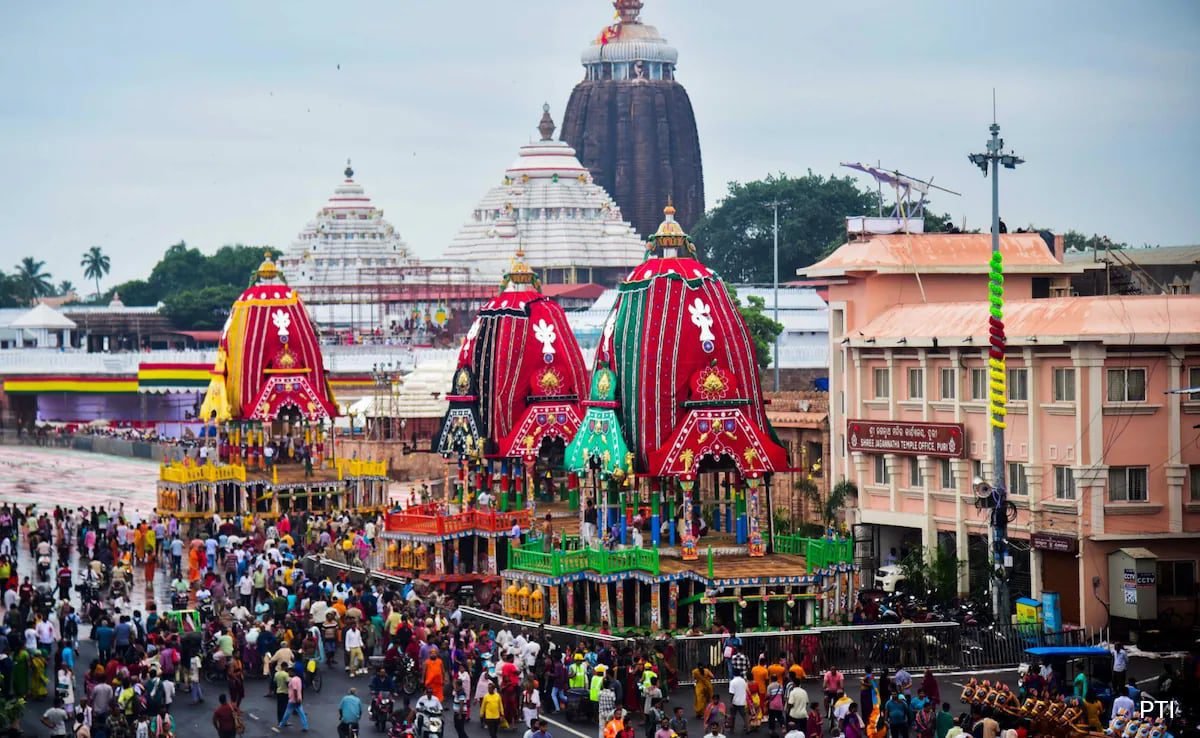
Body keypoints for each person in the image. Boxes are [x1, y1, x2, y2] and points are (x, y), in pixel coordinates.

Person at [276, 666, 310, 732]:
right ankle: (305, 726)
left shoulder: (293, 680)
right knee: (301, 713)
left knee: (287, 713)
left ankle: (281, 724)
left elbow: (295, 690)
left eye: (289, 672)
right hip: (299, 698)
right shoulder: (299, 679)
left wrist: (295, 699)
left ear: (293, 672)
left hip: (293, 699)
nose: (288, 673)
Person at [728, 669, 749, 733]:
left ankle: (732, 729)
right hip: (742, 701)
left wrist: (730, 702)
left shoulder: (732, 682)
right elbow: (746, 690)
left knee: (732, 716)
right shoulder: (743, 681)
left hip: (735, 702)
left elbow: (732, 693)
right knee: (744, 716)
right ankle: (748, 728)